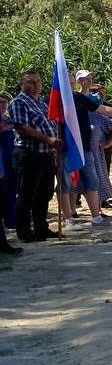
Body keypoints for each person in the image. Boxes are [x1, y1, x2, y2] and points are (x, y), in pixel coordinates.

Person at [62, 70, 112, 228]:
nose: (72, 83)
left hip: (85, 148)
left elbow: (102, 109)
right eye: (70, 81)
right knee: (67, 184)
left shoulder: (79, 97)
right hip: (66, 149)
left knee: (92, 182)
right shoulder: (54, 100)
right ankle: (68, 219)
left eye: (72, 81)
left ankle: (96, 217)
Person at [9, 70, 60, 242]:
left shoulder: (42, 103)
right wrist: (48, 139)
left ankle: (41, 228)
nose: (36, 84)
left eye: (38, 81)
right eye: (31, 82)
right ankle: (25, 232)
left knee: (45, 193)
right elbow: (22, 127)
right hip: (29, 154)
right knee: (26, 194)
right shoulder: (19, 102)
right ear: (22, 84)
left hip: (46, 154)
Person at [0, 94, 21, 255]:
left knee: (10, 194)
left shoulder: (8, 120)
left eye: (4, 103)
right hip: (3, 164)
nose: (2, 105)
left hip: (9, 162)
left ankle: (10, 222)